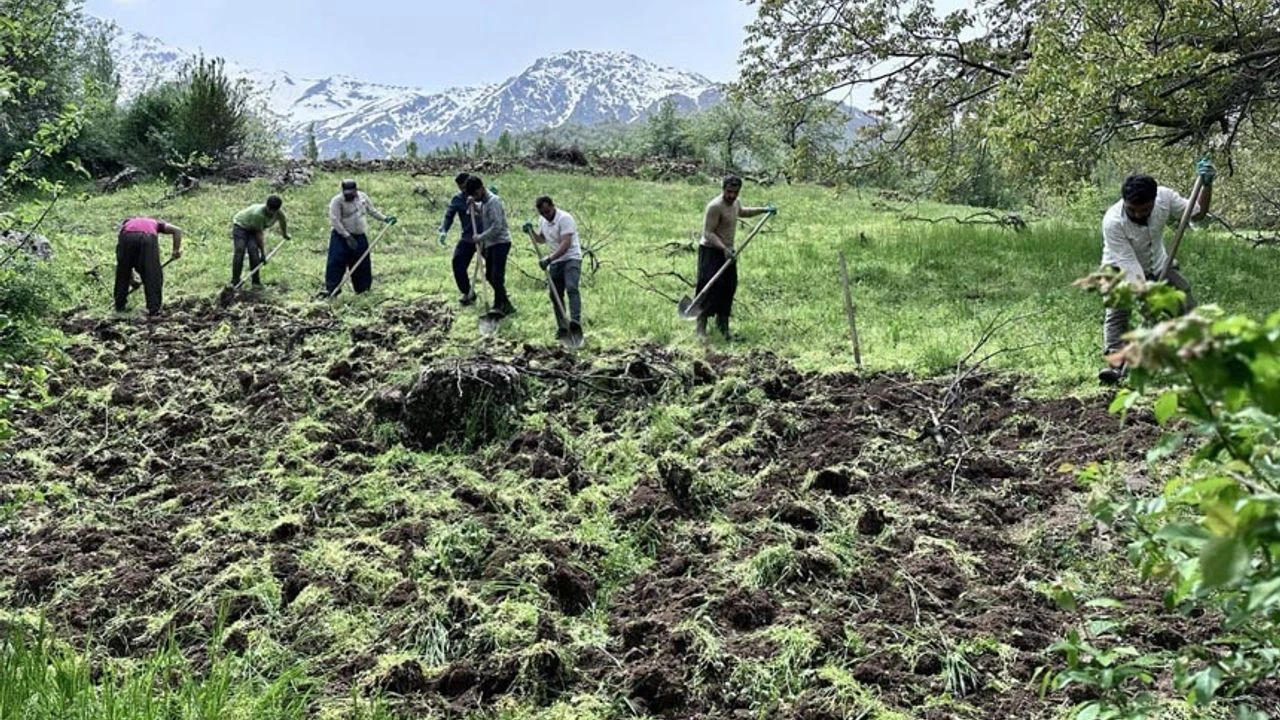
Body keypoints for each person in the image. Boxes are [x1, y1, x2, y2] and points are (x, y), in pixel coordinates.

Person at [1097, 159, 1215, 384]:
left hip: (1159, 262)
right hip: (1119, 266)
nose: (1139, 215)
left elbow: (1196, 213)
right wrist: (1147, 296)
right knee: (1117, 311)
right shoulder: (1112, 222)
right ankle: (1116, 367)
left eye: (1145, 210)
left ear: (1154, 200)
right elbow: (1128, 265)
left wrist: (1207, 186)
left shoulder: (1165, 197)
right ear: (1124, 201)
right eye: (1133, 210)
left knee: (1184, 300)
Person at [697, 176, 775, 340]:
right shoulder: (715, 206)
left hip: (729, 252)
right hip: (711, 251)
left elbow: (743, 212)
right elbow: (708, 233)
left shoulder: (736, 203)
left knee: (728, 288)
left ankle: (723, 329)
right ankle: (701, 331)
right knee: (708, 288)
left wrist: (764, 210)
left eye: (735, 192)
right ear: (723, 189)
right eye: (729, 192)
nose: (732, 196)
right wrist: (723, 248)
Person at [325, 179, 396, 297]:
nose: (349, 195)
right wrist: (347, 236)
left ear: (355, 190)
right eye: (346, 193)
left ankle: (363, 291)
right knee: (336, 263)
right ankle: (332, 290)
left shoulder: (363, 198)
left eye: (351, 193)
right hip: (341, 237)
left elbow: (372, 211)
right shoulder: (337, 201)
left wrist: (385, 218)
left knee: (361, 263)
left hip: (359, 236)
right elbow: (335, 221)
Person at [525, 196, 582, 337]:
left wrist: (549, 259)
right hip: (556, 262)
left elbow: (566, 244)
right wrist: (531, 232)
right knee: (555, 294)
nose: (546, 215)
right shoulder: (543, 220)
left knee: (571, 287)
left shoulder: (565, 219)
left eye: (548, 212)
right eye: (542, 213)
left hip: (571, 258)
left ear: (553, 206)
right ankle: (562, 327)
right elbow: (542, 239)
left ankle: (575, 323)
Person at [465, 175, 515, 316]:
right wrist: (474, 204)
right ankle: (507, 305)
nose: (475, 197)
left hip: (501, 242)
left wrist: (480, 237)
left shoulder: (494, 201)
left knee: (497, 275)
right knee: (489, 276)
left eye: (476, 194)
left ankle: (498, 306)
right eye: (473, 196)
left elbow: (497, 226)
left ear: (481, 188)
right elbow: (482, 211)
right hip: (490, 244)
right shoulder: (484, 202)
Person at [115, 216, 182, 316]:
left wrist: (132, 281)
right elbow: (177, 230)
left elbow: (124, 263)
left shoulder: (125, 227)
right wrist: (175, 250)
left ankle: (119, 306)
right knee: (152, 273)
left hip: (127, 238)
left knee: (122, 271)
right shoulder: (155, 223)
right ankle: (154, 309)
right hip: (147, 238)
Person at [439, 172, 481, 305]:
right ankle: (467, 292)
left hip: (485, 237)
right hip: (468, 238)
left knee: (493, 269)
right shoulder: (457, 199)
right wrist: (444, 229)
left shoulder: (481, 195)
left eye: (466, 187)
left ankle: (500, 297)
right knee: (458, 263)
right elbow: (449, 215)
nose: (464, 190)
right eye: (461, 188)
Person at [230, 195, 289, 288]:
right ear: (267, 206)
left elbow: (283, 221)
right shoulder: (258, 214)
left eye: (274, 211)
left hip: (253, 229)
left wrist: (285, 234)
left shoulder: (279, 213)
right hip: (241, 226)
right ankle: (235, 280)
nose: (272, 212)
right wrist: (263, 253)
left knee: (253, 251)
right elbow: (259, 234)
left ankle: (256, 281)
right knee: (240, 250)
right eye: (270, 210)